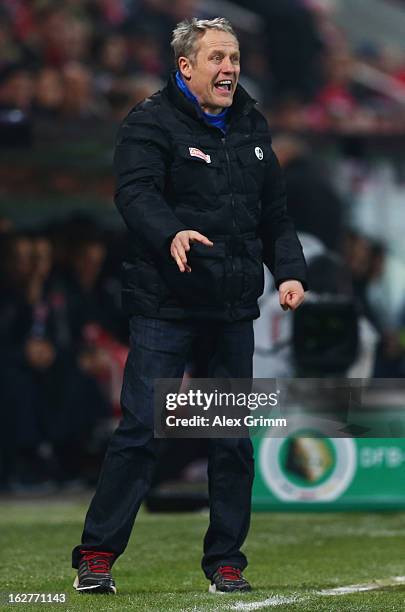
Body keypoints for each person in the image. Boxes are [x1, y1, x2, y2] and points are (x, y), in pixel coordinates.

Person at [72, 17, 307, 595]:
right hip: (165, 304)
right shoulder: (149, 122)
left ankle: (226, 560)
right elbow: (135, 193)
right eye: (217, 59)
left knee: (229, 439)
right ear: (187, 67)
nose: (229, 69)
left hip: (230, 306)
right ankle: (97, 555)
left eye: (233, 58)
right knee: (142, 430)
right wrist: (169, 231)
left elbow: (274, 211)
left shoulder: (252, 124)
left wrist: (291, 271)